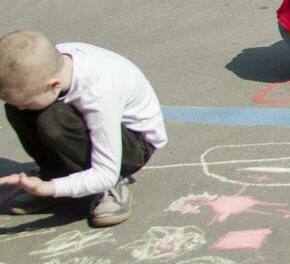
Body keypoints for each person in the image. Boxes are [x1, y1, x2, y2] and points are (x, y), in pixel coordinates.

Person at [0, 31, 167, 227]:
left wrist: (50, 188)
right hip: (90, 122)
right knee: (17, 110)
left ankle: (112, 188)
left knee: (53, 121)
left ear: (54, 85)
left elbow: (104, 173)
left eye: (26, 102)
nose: (21, 108)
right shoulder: (50, 65)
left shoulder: (99, 93)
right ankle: (57, 174)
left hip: (134, 144)